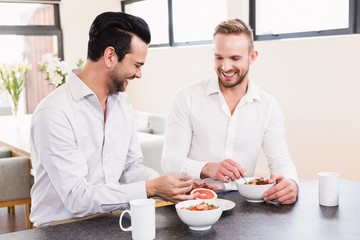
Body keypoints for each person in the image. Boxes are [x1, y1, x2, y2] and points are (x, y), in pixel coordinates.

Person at [30, 12, 199, 228]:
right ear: (110, 56)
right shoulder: (54, 112)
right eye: (137, 65)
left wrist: (173, 184)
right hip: (60, 228)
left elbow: (129, 167)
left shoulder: (122, 104)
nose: (139, 74)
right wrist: (152, 188)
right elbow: (77, 198)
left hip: (113, 220)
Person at [162, 18, 299, 204]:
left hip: (244, 205)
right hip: (193, 203)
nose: (225, 67)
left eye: (234, 58)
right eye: (219, 57)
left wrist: (291, 183)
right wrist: (207, 168)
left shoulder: (268, 106)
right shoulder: (186, 97)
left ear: (252, 57)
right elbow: (169, 162)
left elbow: (280, 161)